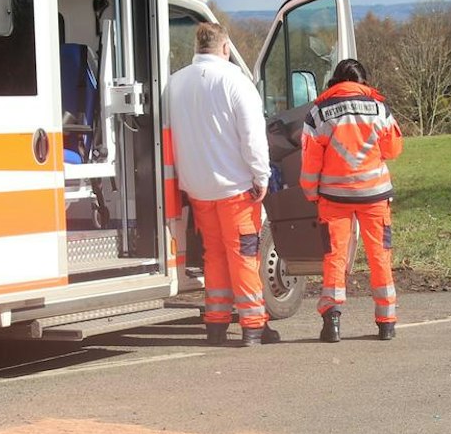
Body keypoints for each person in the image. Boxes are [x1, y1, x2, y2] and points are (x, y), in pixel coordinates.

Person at [166, 22, 279, 347]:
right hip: (234, 188)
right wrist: (262, 176)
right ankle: (253, 325)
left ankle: (215, 323)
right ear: (226, 47)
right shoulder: (236, 82)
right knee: (244, 256)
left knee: (213, 255)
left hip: (197, 189)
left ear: (197, 47)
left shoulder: (175, 83)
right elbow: (253, 138)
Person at [300, 58, 402, 342]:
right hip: (375, 195)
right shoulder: (379, 108)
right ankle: (387, 323)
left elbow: (310, 161)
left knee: (335, 257)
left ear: (335, 82)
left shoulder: (319, 112)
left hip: (334, 198)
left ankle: (331, 322)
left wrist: (310, 192)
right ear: (363, 81)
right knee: (379, 256)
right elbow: (393, 149)